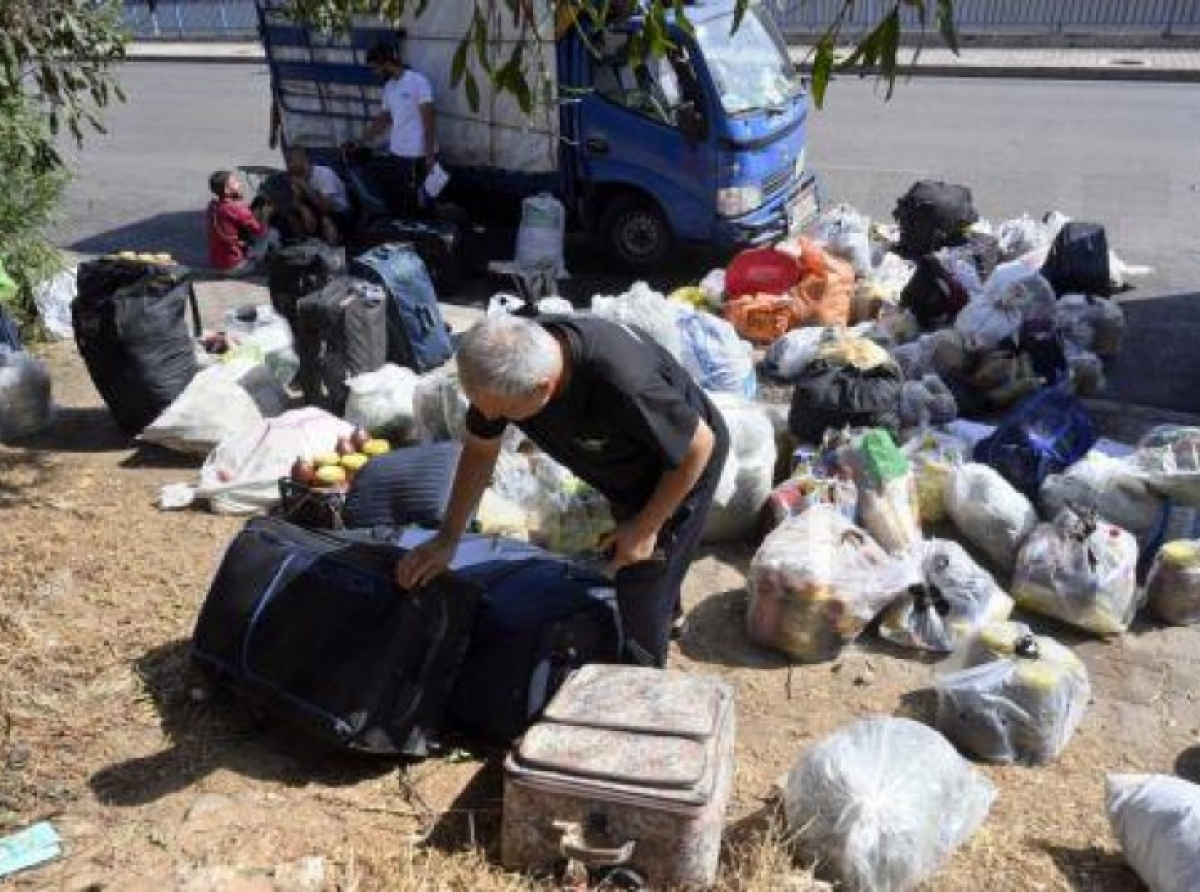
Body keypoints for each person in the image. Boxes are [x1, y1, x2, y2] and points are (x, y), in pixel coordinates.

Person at [395, 314, 731, 668]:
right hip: (620, 461)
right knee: (637, 553)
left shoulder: (622, 381)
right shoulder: (502, 364)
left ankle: (641, 678)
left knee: (642, 571)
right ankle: (667, 607)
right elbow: (480, 451)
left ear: (544, 388)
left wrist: (647, 527)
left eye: (505, 413)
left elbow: (698, 445)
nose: (491, 417)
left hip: (680, 461)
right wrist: (449, 537)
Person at [360, 39, 437, 216]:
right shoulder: (389, 87)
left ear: (386, 63)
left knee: (421, 203)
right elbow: (384, 119)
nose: (375, 72)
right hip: (397, 154)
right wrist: (362, 139)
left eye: (375, 67)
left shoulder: (418, 81)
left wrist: (430, 154)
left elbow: (430, 119)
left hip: (417, 156)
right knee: (403, 201)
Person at [284, 147, 351, 242]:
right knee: (289, 212)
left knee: (326, 221)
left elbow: (326, 207)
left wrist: (305, 186)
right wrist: (303, 209)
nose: (288, 166)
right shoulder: (293, 177)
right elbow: (290, 200)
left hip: (338, 212)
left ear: (304, 160)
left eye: (290, 160)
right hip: (316, 209)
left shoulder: (324, 174)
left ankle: (334, 247)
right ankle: (304, 243)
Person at [206, 170, 268, 271]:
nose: (239, 184)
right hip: (235, 264)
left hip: (216, 263)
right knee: (271, 234)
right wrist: (266, 215)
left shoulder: (213, 207)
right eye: (235, 183)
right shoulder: (236, 207)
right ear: (227, 190)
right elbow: (260, 230)